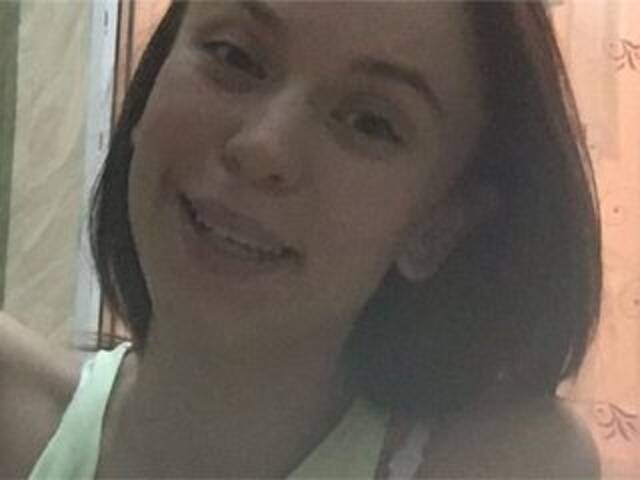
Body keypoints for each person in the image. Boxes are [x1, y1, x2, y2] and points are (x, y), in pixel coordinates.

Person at [0, 1, 602, 478]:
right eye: (235, 55)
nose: (263, 148)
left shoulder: (509, 465)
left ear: (437, 227)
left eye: (370, 121)